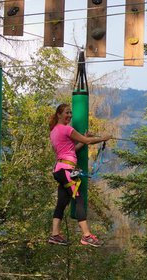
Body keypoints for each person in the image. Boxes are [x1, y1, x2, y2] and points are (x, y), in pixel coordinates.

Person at [48, 103, 111, 247]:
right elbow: (88, 141)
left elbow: (71, 150)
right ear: (59, 114)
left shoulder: (54, 131)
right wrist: (103, 138)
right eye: (67, 113)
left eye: (71, 113)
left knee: (62, 203)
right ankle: (86, 236)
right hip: (66, 170)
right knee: (79, 199)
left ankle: (55, 235)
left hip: (60, 170)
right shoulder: (67, 129)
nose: (69, 116)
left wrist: (84, 138)